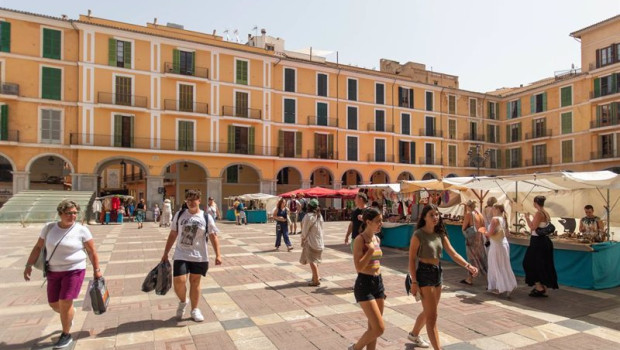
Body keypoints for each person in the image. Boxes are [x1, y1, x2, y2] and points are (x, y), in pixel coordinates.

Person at [24, 200, 102, 349]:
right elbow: (38, 247)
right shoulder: (48, 228)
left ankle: (66, 335)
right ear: (60, 214)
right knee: (54, 304)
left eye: (74, 213)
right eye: (68, 213)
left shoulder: (81, 230)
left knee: (65, 301)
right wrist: (28, 265)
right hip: (53, 271)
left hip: (75, 269)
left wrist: (97, 270)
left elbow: (92, 251)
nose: (72, 216)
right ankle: (68, 316)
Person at [408, 204, 479, 350]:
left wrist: (468, 266)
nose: (435, 217)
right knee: (433, 316)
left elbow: (452, 253)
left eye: (437, 214)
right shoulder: (418, 235)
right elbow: (411, 259)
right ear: (424, 217)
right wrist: (414, 282)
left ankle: (414, 334)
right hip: (424, 273)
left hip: (437, 272)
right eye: (432, 215)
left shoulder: (440, 233)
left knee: (430, 311)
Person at [161, 190, 222, 322]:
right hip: (181, 253)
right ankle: (183, 301)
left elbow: (213, 236)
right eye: (187, 200)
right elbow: (173, 234)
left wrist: (218, 255)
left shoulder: (206, 217)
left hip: (199, 255)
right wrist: (165, 253)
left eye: (193, 200)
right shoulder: (180, 215)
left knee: (195, 282)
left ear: (199, 201)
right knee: (179, 281)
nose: (190, 203)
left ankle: (195, 309)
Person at [348, 207, 386, 350]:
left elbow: (377, 263)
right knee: (379, 328)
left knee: (373, 329)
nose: (381, 223)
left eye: (381, 220)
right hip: (364, 284)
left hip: (378, 283)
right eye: (378, 221)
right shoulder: (359, 240)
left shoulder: (376, 238)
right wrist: (369, 251)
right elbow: (358, 267)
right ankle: (355, 348)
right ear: (368, 222)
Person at [523, 195, 558, 297]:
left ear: (535, 203)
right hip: (543, 241)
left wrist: (527, 218)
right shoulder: (545, 212)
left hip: (537, 241)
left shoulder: (539, 213)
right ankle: (543, 288)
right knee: (542, 264)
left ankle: (539, 286)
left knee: (529, 263)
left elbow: (532, 227)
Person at [484, 204, 517, 296]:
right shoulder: (503, 219)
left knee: (496, 265)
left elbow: (489, 233)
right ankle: (507, 285)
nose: (491, 210)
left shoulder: (495, 219)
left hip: (496, 245)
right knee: (504, 265)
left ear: (497, 209)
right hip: (502, 243)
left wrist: (483, 231)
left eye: (493, 208)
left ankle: (501, 287)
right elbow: (506, 233)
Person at [460, 200, 487, 286]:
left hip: (471, 238)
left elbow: (463, 228)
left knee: (471, 258)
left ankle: (470, 279)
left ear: (468, 206)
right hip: (479, 237)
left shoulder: (469, 214)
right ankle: (488, 278)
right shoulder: (480, 215)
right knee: (481, 258)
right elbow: (483, 227)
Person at [300, 199, 324, 286]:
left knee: (312, 260)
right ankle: (315, 276)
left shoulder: (308, 216)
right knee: (316, 260)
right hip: (319, 241)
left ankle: (316, 280)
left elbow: (304, 229)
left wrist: (303, 238)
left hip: (311, 241)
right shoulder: (319, 215)